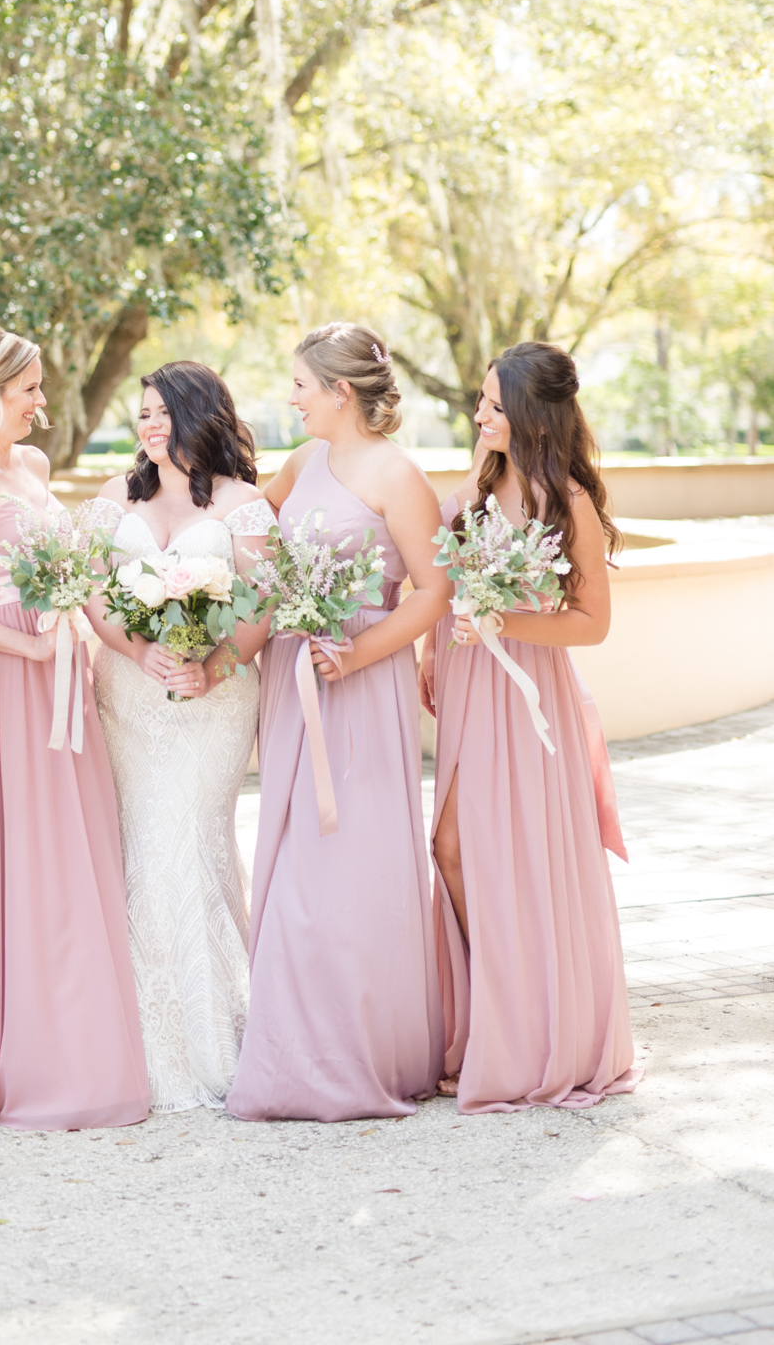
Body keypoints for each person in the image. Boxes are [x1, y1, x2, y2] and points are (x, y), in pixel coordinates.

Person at [227, 324, 448, 1123]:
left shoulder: (398, 476)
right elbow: (248, 532)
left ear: (338, 392)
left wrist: (353, 656)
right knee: (291, 862)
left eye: (297, 384)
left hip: (358, 684)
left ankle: (363, 1049)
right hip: (293, 679)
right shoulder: (300, 464)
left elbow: (430, 594)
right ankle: (289, 1051)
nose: (289, 397)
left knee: (348, 866)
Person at [0, 326, 149, 1130]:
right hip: (14, 686)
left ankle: (84, 1036)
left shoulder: (30, 468)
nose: (40, 404)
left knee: (76, 846)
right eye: (27, 391)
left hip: (66, 674)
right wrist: (28, 645)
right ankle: (33, 1056)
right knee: (27, 856)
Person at [425, 340, 640, 1111]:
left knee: (518, 854)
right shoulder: (474, 490)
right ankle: (500, 1013)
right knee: (448, 846)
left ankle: (523, 1029)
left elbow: (589, 625)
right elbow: (445, 581)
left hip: (528, 696)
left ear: (525, 413)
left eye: (490, 403)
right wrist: (429, 651)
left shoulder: (568, 504)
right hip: (464, 684)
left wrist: (504, 623)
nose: (478, 413)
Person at [85, 362, 273, 1111]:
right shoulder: (112, 498)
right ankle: (138, 1041)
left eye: (162, 412)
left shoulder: (244, 506)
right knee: (141, 844)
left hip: (212, 702)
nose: (148, 426)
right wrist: (138, 650)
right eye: (141, 415)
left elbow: (260, 608)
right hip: (129, 698)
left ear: (201, 415)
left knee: (190, 841)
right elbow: (94, 593)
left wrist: (214, 665)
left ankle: (218, 1033)